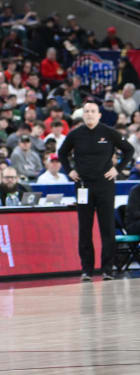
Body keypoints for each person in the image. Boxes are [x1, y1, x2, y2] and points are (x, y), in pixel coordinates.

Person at [58, 101, 134, 281]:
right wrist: (69, 170)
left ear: (99, 115)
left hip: (105, 186)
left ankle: (107, 269)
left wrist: (119, 168)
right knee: (85, 230)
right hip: (83, 186)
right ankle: (87, 270)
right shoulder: (75, 134)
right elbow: (62, 153)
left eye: (93, 111)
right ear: (82, 115)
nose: (90, 114)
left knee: (107, 229)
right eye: (86, 111)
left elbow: (129, 150)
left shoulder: (109, 132)